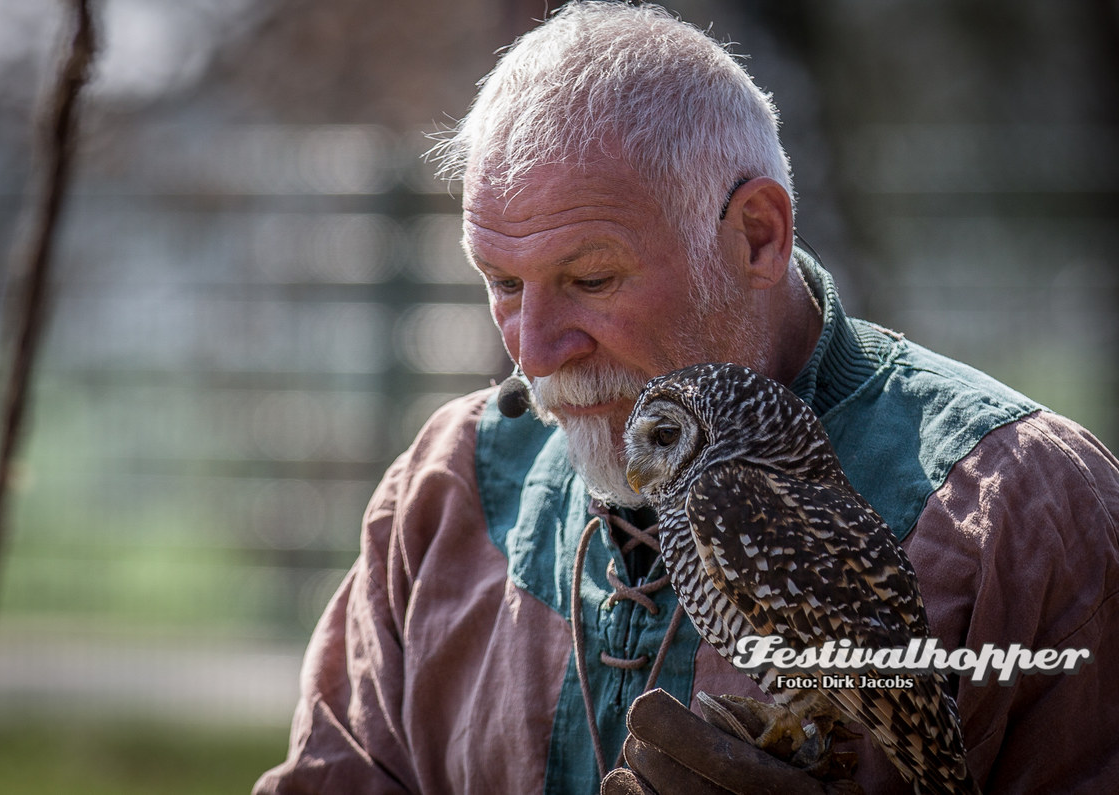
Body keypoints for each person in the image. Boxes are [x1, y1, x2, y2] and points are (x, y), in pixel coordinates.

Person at [254, 2, 1119, 793]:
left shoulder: (1021, 506)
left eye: (591, 277)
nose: (535, 348)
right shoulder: (447, 495)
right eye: (503, 284)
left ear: (757, 236)